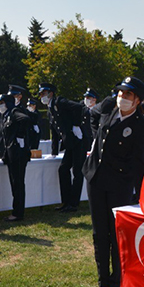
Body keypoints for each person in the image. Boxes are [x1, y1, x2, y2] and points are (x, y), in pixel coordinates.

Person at [82, 77, 144, 287]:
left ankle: (117, 282)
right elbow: (93, 118)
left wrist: (135, 188)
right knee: (99, 232)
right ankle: (102, 281)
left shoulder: (141, 126)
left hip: (119, 183)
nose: (122, 97)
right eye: (120, 93)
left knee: (116, 233)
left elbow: (140, 162)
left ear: (138, 100)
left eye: (128, 94)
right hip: (95, 178)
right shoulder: (109, 112)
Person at [39, 83, 86, 213]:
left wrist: (76, 125)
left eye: (44, 93)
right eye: (41, 94)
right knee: (63, 169)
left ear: (51, 93)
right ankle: (66, 201)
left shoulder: (60, 101)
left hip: (78, 140)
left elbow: (78, 107)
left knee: (77, 172)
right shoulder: (50, 110)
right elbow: (54, 132)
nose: (42, 96)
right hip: (70, 143)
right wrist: (54, 152)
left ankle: (73, 204)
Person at [0, 94, 31, 222]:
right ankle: (16, 211)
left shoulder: (14, 112)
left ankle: (18, 213)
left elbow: (25, 119)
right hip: (12, 154)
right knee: (14, 183)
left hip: (19, 154)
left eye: (3, 102)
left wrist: (20, 136)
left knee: (18, 183)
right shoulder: (6, 116)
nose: (0, 105)